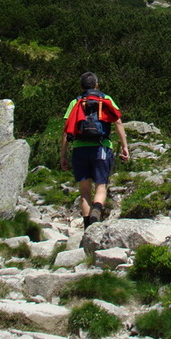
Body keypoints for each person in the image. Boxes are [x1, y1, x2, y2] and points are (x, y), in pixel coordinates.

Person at [60, 72, 129, 228]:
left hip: (79, 149)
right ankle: (96, 211)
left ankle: (87, 227)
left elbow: (66, 130)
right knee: (101, 185)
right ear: (97, 84)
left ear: (81, 86)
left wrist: (63, 155)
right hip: (102, 147)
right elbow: (117, 122)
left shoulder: (75, 102)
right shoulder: (106, 99)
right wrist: (124, 146)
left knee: (84, 190)